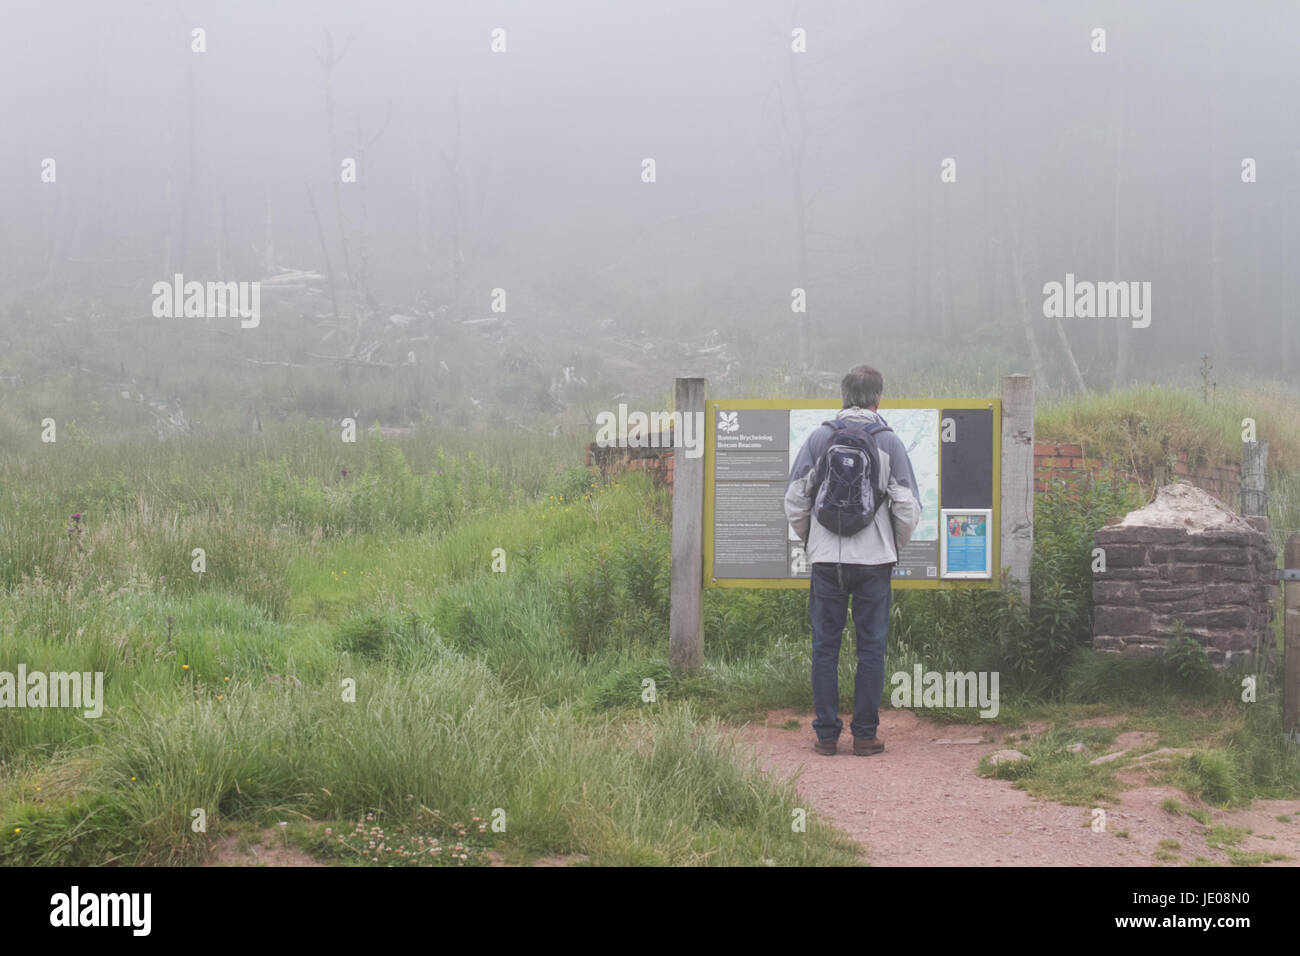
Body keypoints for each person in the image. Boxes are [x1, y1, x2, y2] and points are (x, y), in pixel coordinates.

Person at [784, 365, 921, 756]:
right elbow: (907, 506)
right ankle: (864, 735)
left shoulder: (819, 438)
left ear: (842, 397)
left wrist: (813, 539)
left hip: (827, 561)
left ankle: (826, 735)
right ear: (879, 399)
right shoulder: (888, 441)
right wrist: (891, 544)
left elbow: (794, 499)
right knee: (871, 647)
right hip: (874, 561)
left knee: (824, 646)